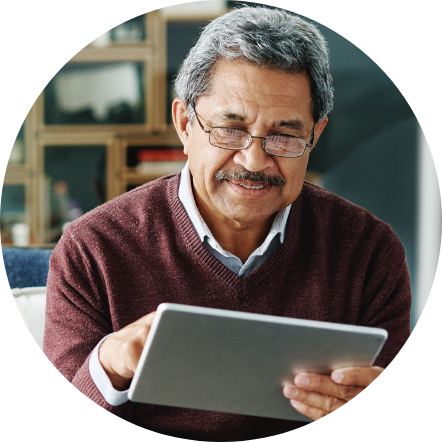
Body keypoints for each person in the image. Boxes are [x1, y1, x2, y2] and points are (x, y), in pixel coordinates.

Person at [43, 5, 411, 440]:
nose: (254, 160)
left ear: (315, 136)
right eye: (230, 129)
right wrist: (108, 369)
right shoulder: (92, 248)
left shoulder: (370, 251)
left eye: (285, 135)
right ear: (184, 123)